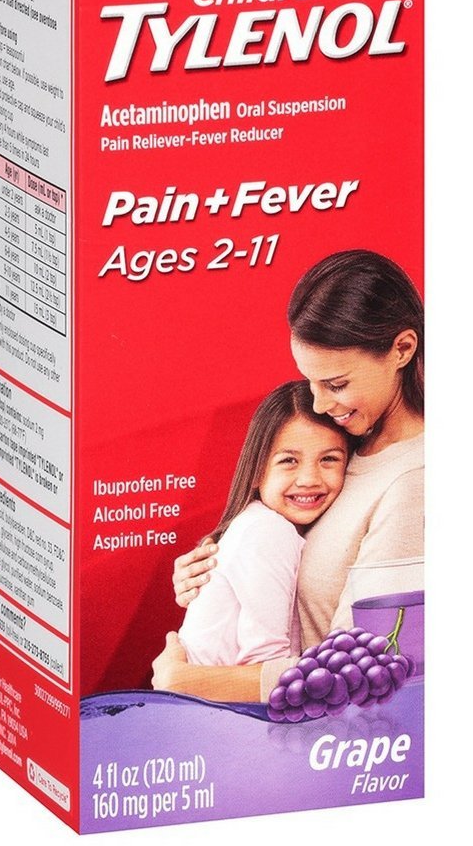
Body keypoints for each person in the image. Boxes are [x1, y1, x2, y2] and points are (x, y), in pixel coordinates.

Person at [152, 249, 424, 702]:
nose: (319, 404)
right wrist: (219, 570)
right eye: (311, 381)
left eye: (336, 384)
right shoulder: (348, 441)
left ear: (402, 349)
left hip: (324, 736)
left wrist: (185, 681)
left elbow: (364, 671)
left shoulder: (413, 481)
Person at [178, 381, 351, 667]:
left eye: (329, 459)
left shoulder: (266, 525)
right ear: (257, 471)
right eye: (289, 461)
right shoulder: (268, 531)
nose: (309, 479)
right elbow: (264, 659)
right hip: (212, 693)